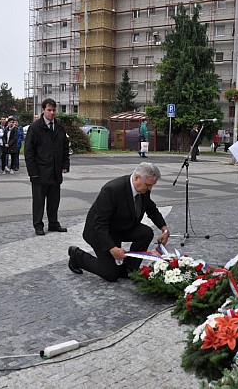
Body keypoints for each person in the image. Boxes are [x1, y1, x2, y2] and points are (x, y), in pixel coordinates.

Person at [67, 162, 170, 282]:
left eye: (152, 186)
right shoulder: (112, 190)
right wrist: (112, 248)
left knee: (146, 232)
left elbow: (151, 208)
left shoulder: (143, 189)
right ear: (136, 177)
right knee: (111, 275)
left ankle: (128, 269)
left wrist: (164, 229)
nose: (150, 189)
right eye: (148, 185)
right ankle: (77, 256)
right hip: (100, 232)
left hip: (121, 227)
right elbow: (99, 224)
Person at [24, 98, 70, 236]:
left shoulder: (59, 126)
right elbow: (29, 151)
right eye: (49, 110)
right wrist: (32, 172)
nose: (52, 113)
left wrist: (65, 164)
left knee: (54, 200)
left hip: (55, 171)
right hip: (40, 171)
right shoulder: (36, 127)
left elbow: (64, 147)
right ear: (43, 110)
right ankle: (38, 225)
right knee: (39, 201)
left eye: (54, 110)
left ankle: (53, 223)